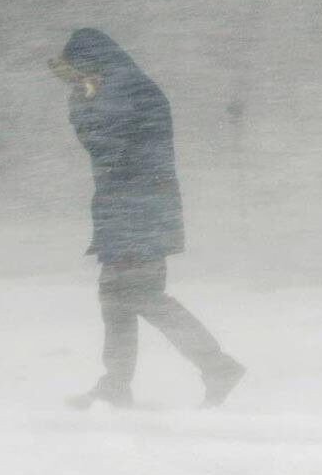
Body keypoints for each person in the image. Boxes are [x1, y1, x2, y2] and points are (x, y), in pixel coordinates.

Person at [51, 29, 244, 409]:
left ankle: (216, 365)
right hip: (132, 209)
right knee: (116, 299)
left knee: (140, 296)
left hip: (138, 210)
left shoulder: (124, 88)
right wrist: (86, 95)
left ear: (91, 61)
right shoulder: (122, 85)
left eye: (77, 69)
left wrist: (81, 101)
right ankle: (117, 383)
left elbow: (106, 146)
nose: (75, 77)